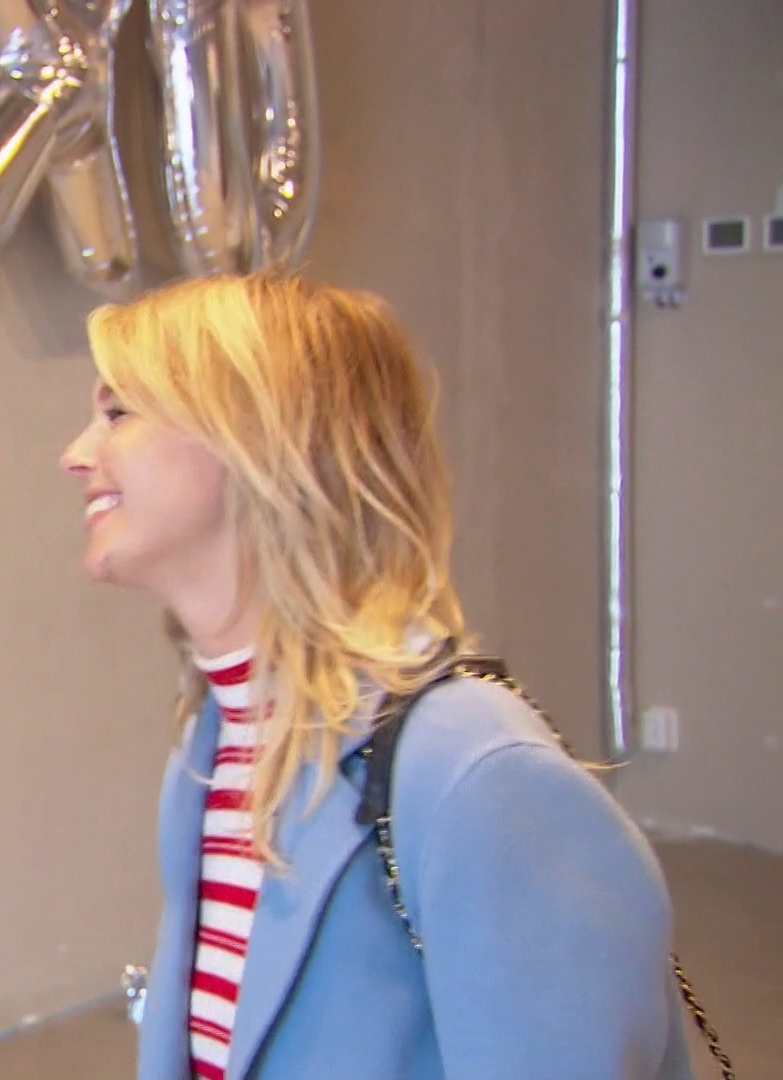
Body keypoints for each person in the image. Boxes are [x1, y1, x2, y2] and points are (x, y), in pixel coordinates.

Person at [59, 273, 695, 1080]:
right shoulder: (209, 746)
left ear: (257, 439)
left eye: (118, 413)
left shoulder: (474, 772)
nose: (75, 455)